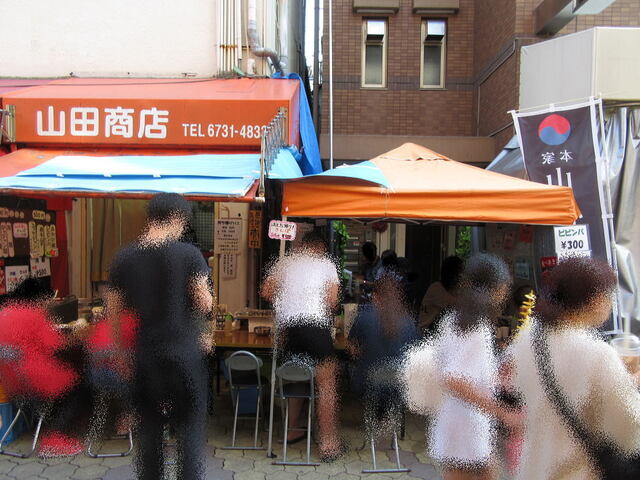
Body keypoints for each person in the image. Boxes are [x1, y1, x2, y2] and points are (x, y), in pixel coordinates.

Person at [106, 193, 214, 480]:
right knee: (189, 432)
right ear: (178, 218)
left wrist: (120, 353)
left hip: (145, 355)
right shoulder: (189, 254)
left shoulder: (124, 258)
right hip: (184, 355)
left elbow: (113, 311)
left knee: (149, 434)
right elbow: (203, 302)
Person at [504, 256, 640, 479]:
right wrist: (630, 383)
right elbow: (628, 429)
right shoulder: (597, 353)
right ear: (595, 300)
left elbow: (519, 388)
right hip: (573, 472)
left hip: (532, 467)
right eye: (610, 297)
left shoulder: (528, 338)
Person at [428, 253, 520, 480]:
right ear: (495, 288)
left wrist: (497, 377)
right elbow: (453, 379)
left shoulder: (455, 319)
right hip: (465, 423)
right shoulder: (475, 327)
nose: (506, 292)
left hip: (463, 421)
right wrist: (502, 412)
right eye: (504, 286)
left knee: (485, 472)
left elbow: (462, 371)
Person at [261, 231, 342, 460]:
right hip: (314, 326)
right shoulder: (326, 264)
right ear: (321, 247)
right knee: (326, 384)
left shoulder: (285, 262)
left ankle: (291, 430)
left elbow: (266, 291)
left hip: (289, 329)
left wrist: (287, 299)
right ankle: (327, 444)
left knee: (295, 376)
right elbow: (332, 301)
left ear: (302, 246)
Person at [348, 273, 419, 431]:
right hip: (398, 385)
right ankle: (386, 418)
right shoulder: (409, 321)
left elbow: (352, 348)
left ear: (375, 296)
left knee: (360, 370)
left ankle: (375, 417)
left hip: (368, 383)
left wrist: (363, 353)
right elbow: (413, 355)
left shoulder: (365, 316)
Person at [418, 256, 463, 337]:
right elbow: (458, 306)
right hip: (426, 333)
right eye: (460, 272)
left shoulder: (453, 290)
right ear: (451, 274)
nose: (461, 276)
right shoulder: (436, 288)